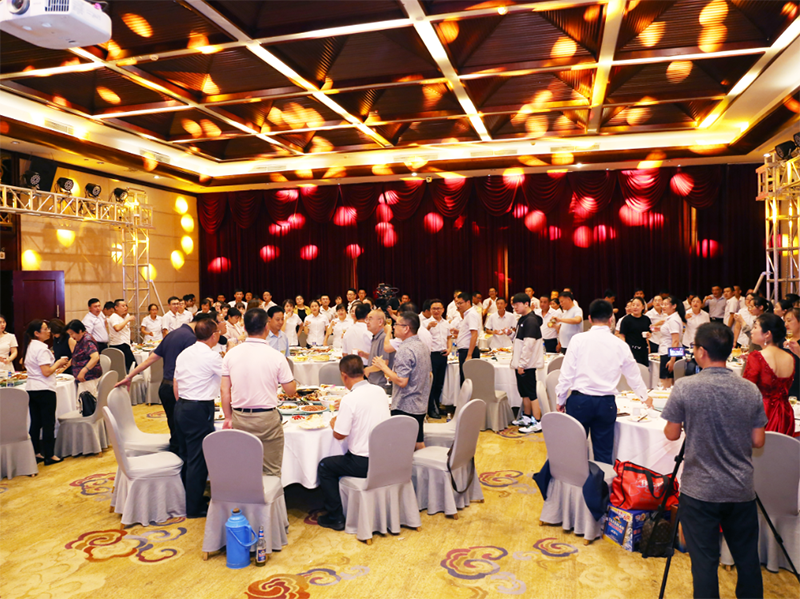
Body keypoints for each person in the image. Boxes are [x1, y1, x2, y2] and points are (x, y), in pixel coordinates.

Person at [662, 322, 766, 599]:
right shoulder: (749, 389)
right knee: (747, 559)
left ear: (701, 352)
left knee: (704, 563)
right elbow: (758, 441)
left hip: (700, 490)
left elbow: (671, 434)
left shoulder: (685, 387)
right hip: (740, 488)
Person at [555, 300, 650, 464]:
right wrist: (644, 397)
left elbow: (567, 373)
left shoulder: (578, 340)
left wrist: (560, 398)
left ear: (589, 318)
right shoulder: (620, 344)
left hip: (580, 401)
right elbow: (633, 375)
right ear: (611, 319)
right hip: (606, 404)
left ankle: (577, 480)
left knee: (574, 451)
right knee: (604, 454)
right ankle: (602, 480)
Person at [118, 313, 220, 454]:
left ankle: (177, 461)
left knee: (176, 432)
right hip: (179, 390)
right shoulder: (192, 340)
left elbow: (150, 359)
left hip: (165, 388)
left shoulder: (173, 334)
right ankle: (183, 463)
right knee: (188, 437)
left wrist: (129, 376)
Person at [316, 355, 390, 531]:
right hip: (385, 458)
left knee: (325, 466)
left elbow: (339, 435)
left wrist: (334, 423)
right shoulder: (379, 391)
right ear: (363, 372)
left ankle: (335, 516)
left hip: (363, 463)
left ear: (344, 375)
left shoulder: (350, 399)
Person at [221, 308, 296, 476]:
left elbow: (224, 390)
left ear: (244, 328)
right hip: (267, 419)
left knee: (243, 468)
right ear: (266, 327)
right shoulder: (276, 356)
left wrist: (228, 417)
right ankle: (271, 493)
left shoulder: (231, 354)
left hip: (240, 417)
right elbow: (291, 391)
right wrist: (292, 381)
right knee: (271, 470)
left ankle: (245, 493)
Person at [173, 318, 222, 518]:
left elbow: (176, 383)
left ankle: (189, 498)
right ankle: (193, 507)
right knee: (198, 459)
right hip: (198, 408)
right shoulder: (211, 356)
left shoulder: (185, 353)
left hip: (181, 407)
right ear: (214, 335)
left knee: (186, 455)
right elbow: (229, 377)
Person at [372, 312, 432, 450]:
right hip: (420, 404)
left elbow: (402, 381)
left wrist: (383, 367)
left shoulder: (405, 349)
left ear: (406, 328)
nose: (393, 327)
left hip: (406, 405)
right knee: (418, 443)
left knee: (400, 449)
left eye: (397, 324)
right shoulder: (422, 345)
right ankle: (425, 464)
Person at [24, 320, 69, 465]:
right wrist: (58, 363)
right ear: (37, 333)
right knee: (48, 422)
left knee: (36, 422)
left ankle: (36, 452)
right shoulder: (42, 349)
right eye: (45, 329)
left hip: (32, 388)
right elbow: (46, 372)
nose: (48, 331)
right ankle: (50, 455)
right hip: (44, 388)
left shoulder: (30, 346)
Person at [743, 313, 795, 436]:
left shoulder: (756, 356)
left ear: (767, 334)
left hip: (763, 413)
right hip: (786, 413)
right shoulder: (790, 357)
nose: (752, 331)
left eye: (755, 327)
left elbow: (746, 390)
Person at [509, 293, 544, 434]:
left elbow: (529, 345)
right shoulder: (522, 319)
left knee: (531, 393)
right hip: (521, 363)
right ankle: (526, 417)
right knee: (524, 392)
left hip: (527, 364)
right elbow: (519, 340)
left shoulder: (531, 320)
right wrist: (509, 334)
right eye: (513, 305)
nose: (515, 307)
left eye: (517, 305)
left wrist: (522, 364)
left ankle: (538, 422)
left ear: (526, 304)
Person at [649, 295, 685, 389]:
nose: (663, 307)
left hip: (669, 353)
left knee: (666, 384)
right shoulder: (670, 318)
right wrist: (659, 329)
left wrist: (672, 360)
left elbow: (675, 340)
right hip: (670, 352)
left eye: (666, 304)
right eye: (663, 304)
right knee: (670, 384)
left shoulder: (673, 320)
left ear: (674, 306)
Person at [424, 299, 450, 419]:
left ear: (443, 310)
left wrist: (449, 349)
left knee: (440, 383)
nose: (436, 311)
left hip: (443, 355)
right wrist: (428, 327)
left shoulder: (446, 323)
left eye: (438, 308)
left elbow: (449, 337)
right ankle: (431, 409)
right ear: (430, 310)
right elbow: (422, 337)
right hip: (431, 355)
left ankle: (437, 406)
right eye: (434, 308)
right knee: (432, 384)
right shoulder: (425, 323)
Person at [65, 320, 102, 396]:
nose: (71, 336)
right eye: (69, 334)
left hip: (88, 377)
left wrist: (83, 371)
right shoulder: (80, 340)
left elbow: (95, 357)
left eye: (72, 333)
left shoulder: (87, 341)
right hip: (82, 377)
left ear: (80, 331)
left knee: (86, 400)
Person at [453, 291, 481, 384]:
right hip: (465, 350)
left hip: (468, 351)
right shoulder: (468, 314)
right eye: (457, 303)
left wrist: (469, 355)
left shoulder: (471, 314)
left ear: (468, 302)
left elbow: (474, 335)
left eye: (460, 303)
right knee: (465, 380)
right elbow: (469, 333)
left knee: (468, 381)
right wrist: (460, 332)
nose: (458, 306)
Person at [363, 310, 393, 393]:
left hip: (381, 385)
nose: (367, 322)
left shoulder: (384, 338)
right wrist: (364, 355)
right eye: (367, 319)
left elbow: (384, 363)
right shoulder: (376, 337)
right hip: (375, 383)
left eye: (370, 319)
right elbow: (376, 358)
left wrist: (367, 369)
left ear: (380, 322)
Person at [108, 299, 136, 372]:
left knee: (131, 367)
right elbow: (117, 328)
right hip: (119, 345)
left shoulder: (123, 317)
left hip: (125, 344)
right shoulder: (114, 317)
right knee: (133, 367)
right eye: (123, 306)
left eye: (126, 305)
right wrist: (127, 320)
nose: (125, 307)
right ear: (116, 307)